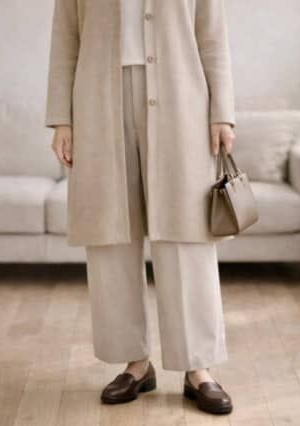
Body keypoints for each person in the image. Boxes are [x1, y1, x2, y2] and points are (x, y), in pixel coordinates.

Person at [45, 0, 236, 415]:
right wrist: (62, 118)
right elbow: (65, 37)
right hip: (98, 100)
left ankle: (198, 368)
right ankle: (135, 364)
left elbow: (212, 34)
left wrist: (222, 112)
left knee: (186, 233)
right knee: (111, 232)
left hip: (182, 98)